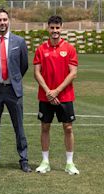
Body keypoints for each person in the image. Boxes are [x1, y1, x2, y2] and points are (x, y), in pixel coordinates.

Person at [0, 8, 31, 172]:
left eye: (4, 20)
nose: (2, 23)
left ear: (9, 21)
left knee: (19, 127)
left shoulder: (19, 42)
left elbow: (24, 65)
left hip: (13, 91)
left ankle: (23, 159)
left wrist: (13, 80)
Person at [33, 15, 79, 175]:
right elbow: (36, 73)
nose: (55, 31)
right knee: (45, 127)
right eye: (52, 27)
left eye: (57, 28)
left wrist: (56, 91)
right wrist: (48, 92)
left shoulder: (70, 48)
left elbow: (73, 73)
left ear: (61, 28)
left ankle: (69, 163)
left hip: (65, 96)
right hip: (45, 96)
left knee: (68, 128)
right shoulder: (41, 49)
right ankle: (45, 162)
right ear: (48, 28)